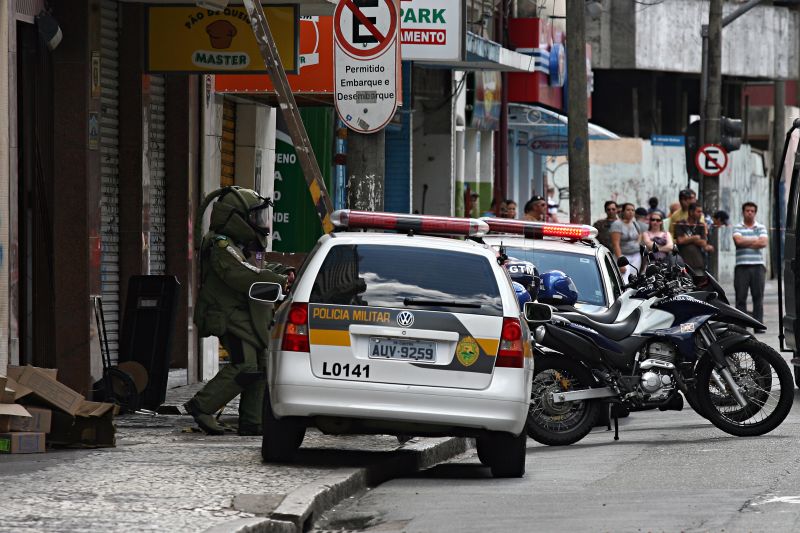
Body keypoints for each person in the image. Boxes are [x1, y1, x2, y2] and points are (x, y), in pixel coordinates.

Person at [185, 186, 294, 436]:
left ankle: (252, 421)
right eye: (254, 216)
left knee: (261, 364)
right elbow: (241, 274)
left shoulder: (239, 244)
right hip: (226, 315)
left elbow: (255, 266)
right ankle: (201, 407)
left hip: (241, 314)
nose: (260, 223)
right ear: (236, 217)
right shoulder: (220, 244)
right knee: (245, 365)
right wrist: (277, 280)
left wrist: (282, 271)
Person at [733, 202, 768, 333]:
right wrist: (755, 240)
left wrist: (745, 242)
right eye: (747, 210)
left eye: (752, 211)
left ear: (755, 213)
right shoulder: (738, 227)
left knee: (758, 297)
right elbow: (738, 241)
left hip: (758, 266)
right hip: (741, 267)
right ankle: (741, 327)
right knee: (740, 298)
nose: (750, 213)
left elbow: (763, 242)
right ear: (743, 212)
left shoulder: (761, 227)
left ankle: (758, 325)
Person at [674, 203, 713, 275]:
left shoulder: (701, 225)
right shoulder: (681, 224)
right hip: (683, 264)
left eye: (701, 212)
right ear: (691, 212)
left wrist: (687, 239)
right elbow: (680, 240)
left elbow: (703, 243)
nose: (701, 214)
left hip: (698, 264)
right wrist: (695, 238)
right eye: (698, 211)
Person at [610, 203, 642, 283]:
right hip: (623, 255)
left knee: (634, 279)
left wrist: (636, 243)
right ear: (623, 211)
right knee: (624, 280)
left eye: (632, 210)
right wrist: (620, 261)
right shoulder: (617, 224)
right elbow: (615, 244)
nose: (631, 212)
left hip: (636, 255)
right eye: (628, 210)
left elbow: (640, 234)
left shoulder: (634, 223)